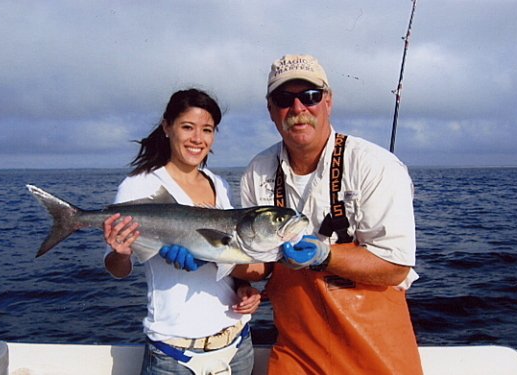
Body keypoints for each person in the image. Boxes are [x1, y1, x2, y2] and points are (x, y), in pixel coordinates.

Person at [239, 54, 424, 374]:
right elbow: (259, 265)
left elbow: (395, 266)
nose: (298, 109)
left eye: (310, 96)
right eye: (284, 99)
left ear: (328, 101)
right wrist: (218, 264)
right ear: (271, 109)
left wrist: (324, 255)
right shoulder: (257, 172)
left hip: (377, 354)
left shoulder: (374, 166)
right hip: (296, 354)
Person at [103, 88, 260, 375]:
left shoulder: (219, 184)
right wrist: (121, 253)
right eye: (187, 127)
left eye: (207, 130)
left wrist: (245, 290)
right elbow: (117, 269)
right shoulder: (141, 184)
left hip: (236, 344)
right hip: (174, 354)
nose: (197, 139)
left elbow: (227, 251)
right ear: (167, 127)